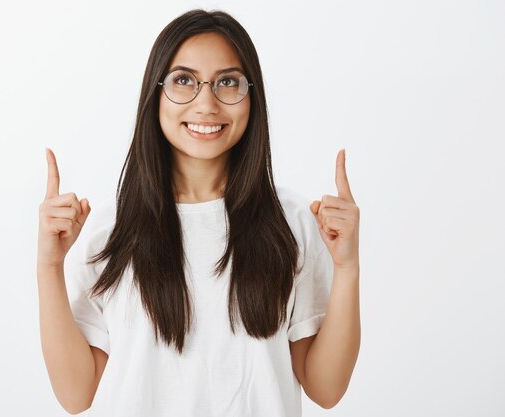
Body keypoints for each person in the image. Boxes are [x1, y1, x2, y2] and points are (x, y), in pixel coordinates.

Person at [37, 8, 360, 417]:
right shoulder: (110, 228)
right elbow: (76, 394)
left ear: (251, 95)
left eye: (227, 82)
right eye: (184, 80)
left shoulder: (291, 220)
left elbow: (326, 388)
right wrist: (48, 266)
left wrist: (348, 267)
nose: (205, 103)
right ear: (154, 94)